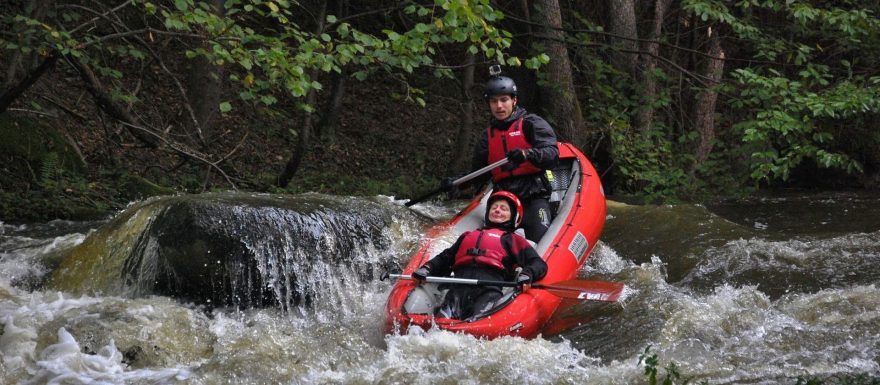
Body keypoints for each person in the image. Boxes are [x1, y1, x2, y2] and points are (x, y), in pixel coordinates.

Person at [447, 70, 559, 242]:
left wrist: (527, 154)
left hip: (533, 194)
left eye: (504, 100)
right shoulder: (487, 136)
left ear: (514, 100)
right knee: (490, 243)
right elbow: (480, 173)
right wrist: (459, 183)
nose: (499, 106)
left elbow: (552, 154)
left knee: (541, 239)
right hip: (503, 197)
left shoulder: (532, 123)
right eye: (494, 101)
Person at [411, 191, 548, 320]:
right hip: (456, 292)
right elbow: (445, 258)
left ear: (514, 217)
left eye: (503, 209)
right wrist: (427, 268)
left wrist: (527, 274)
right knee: (438, 327)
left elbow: (537, 263)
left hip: (487, 293)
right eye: (494, 207)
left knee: (473, 329)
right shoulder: (467, 236)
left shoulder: (512, 239)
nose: (497, 210)